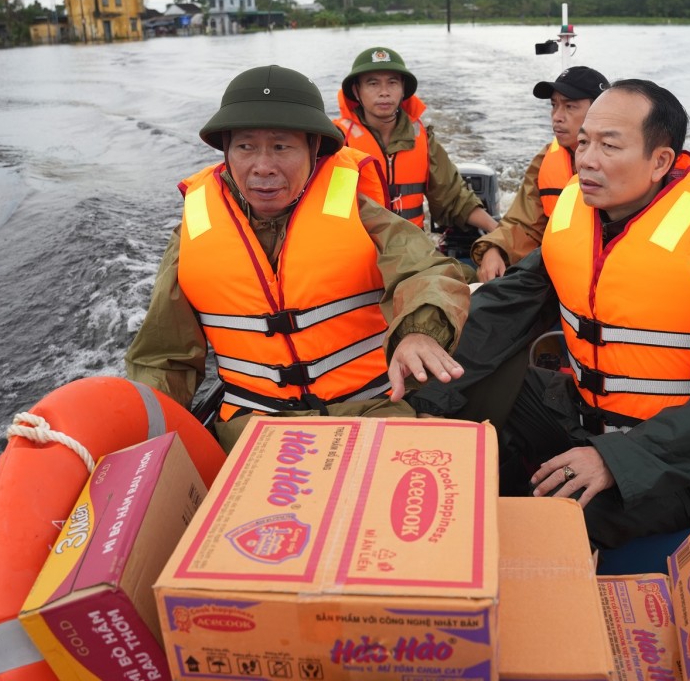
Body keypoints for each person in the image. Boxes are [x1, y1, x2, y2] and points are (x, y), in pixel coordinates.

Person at [409, 79, 690, 548]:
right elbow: (505, 305)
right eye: (583, 143)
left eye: (609, 146)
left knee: (548, 528)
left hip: (675, 461)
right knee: (465, 383)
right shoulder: (578, 218)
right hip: (579, 416)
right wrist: (427, 355)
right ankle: (490, 481)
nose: (586, 160)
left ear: (660, 161)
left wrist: (615, 459)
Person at [125, 65, 470, 451]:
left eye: (281, 147)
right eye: (245, 147)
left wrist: (419, 331)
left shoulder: (360, 213)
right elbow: (164, 356)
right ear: (227, 152)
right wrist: (146, 436)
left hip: (370, 411)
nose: (263, 167)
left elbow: (426, 269)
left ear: (313, 149)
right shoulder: (192, 233)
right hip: (252, 428)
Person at [334, 47, 498, 269]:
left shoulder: (423, 140)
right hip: (359, 256)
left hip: (414, 254)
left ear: (403, 90)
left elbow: (453, 198)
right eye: (373, 84)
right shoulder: (338, 143)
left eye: (392, 83)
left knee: (468, 281)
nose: (384, 92)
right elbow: (331, 212)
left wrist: (497, 232)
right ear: (356, 91)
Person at [472, 66, 609, 282]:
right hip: (559, 274)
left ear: (600, 112)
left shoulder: (626, 163)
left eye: (570, 107)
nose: (557, 117)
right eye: (554, 105)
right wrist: (494, 249)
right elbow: (525, 224)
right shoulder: (545, 160)